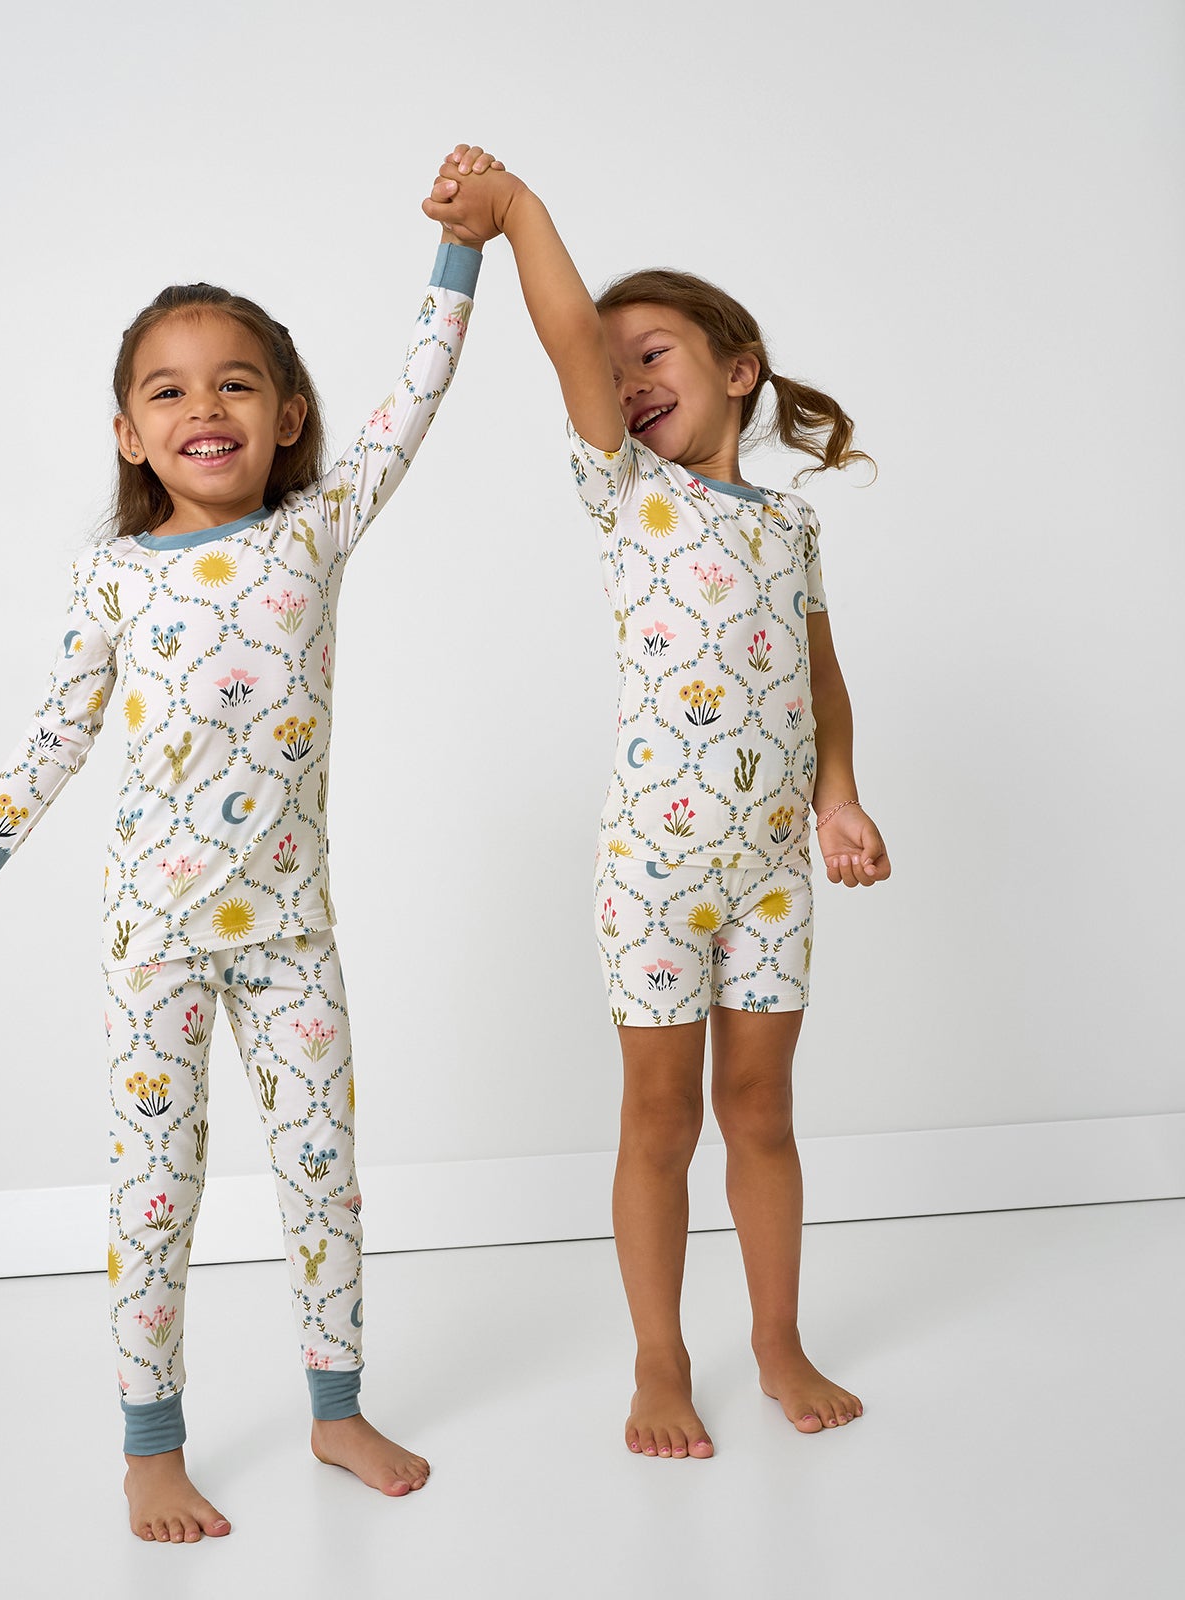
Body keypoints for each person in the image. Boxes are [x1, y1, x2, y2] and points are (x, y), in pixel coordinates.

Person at [0, 145, 502, 1542]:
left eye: (235, 383)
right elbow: (55, 735)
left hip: (291, 933)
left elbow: (415, 396)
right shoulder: (113, 576)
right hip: (154, 940)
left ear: (287, 418)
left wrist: (463, 250)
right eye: (167, 391)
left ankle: (336, 1409)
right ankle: (150, 1446)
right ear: (128, 434)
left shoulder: (318, 530)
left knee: (321, 1176)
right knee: (153, 1195)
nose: (203, 407)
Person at [424, 149, 891, 1459]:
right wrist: (517, 213)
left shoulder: (789, 527)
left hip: (773, 874)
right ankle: (660, 1358)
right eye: (614, 366)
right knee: (660, 1118)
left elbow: (820, 678)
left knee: (762, 1112)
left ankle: (777, 1339)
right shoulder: (632, 492)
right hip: (654, 873)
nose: (629, 381)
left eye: (656, 355)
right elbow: (568, 337)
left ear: (739, 368)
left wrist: (841, 799)